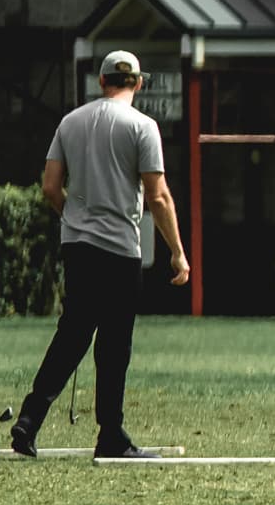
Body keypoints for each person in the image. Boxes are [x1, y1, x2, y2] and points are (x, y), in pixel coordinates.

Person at [12, 50, 189, 459]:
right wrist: (177, 253)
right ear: (139, 83)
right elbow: (158, 196)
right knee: (114, 343)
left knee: (72, 333)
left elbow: (50, 187)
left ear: (101, 81)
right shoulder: (143, 127)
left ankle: (29, 418)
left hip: (77, 246)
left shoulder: (70, 123)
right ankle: (110, 433)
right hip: (120, 249)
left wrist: (73, 217)